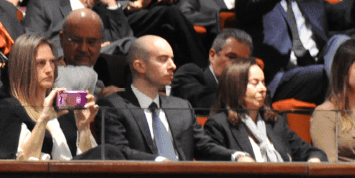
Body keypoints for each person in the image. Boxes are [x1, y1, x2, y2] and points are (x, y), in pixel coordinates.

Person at [233, 0, 355, 96]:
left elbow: (351, 18)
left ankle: (337, 98)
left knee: (341, 41)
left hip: (321, 67)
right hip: (283, 77)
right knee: (341, 74)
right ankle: (341, 104)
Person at [96, 36, 247, 161]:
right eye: (163, 59)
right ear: (139, 66)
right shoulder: (112, 106)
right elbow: (117, 151)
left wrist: (236, 156)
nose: (173, 66)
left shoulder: (182, 107)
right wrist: (158, 162)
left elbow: (203, 147)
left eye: (172, 59)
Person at [0, 35, 100, 160]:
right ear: (23, 68)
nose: (49, 69)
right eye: (41, 63)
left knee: (108, 153)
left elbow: (89, 163)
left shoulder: (62, 106)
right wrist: (42, 121)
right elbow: (18, 167)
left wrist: (83, 127)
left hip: (73, 177)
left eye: (52, 62)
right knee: (111, 152)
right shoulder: (8, 109)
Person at [202, 59, 324, 162]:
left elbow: (313, 152)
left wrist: (314, 160)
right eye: (255, 83)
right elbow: (212, 158)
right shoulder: (219, 124)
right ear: (236, 87)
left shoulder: (275, 123)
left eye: (263, 82)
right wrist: (238, 157)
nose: (263, 89)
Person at [168, 29, 255, 116]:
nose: (237, 65)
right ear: (212, 55)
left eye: (243, 61)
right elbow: (206, 102)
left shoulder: (251, 84)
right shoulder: (190, 73)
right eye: (231, 57)